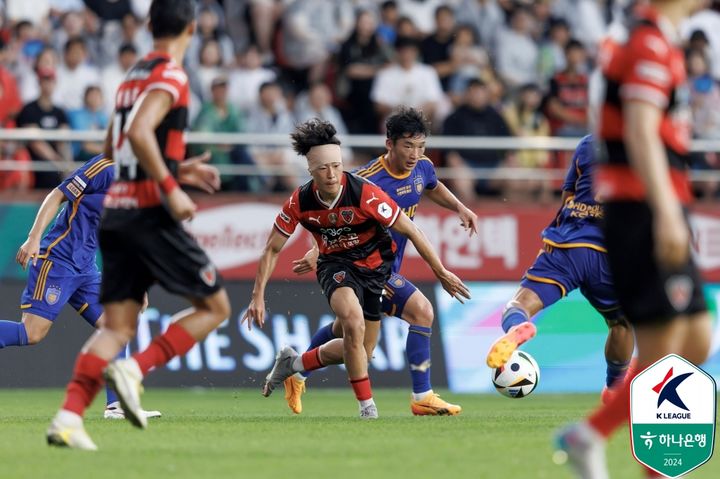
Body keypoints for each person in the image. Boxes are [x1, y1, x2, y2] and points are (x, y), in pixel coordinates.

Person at [46, 0, 231, 450]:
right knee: (216, 308)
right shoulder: (171, 75)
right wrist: (171, 185)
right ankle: (135, 369)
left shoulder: (130, 77)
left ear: (149, 25)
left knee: (115, 328)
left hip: (117, 214)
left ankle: (68, 419)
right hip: (149, 212)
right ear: (193, 27)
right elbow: (140, 133)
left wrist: (177, 167)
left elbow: (114, 143)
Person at [555, 2, 712, 478]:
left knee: (697, 339)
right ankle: (641, 461)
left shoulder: (652, 38)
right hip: (642, 206)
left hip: (655, 202)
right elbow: (642, 131)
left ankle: (591, 433)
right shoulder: (646, 42)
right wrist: (666, 212)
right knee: (670, 353)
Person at [242, 118, 470, 419]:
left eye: (337, 166)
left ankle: (295, 366)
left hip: (376, 269)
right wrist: (258, 295)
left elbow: (414, 224)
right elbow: (272, 248)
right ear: (311, 170)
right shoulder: (304, 199)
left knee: (361, 350)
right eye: (324, 168)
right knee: (371, 319)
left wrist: (443, 264)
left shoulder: (368, 190)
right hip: (336, 266)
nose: (332, 174)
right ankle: (381, 405)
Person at [0, 154, 160, 420]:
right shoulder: (106, 167)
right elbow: (56, 195)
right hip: (58, 260)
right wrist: (33, 238)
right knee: (31, 333)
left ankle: (116, 406)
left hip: (85, 268)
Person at [484, 135, 634, 402]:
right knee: (620, 323)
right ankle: (614, 389)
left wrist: (554, 237)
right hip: (609, 252)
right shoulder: (646, 145)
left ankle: (518, 327)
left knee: (517, 305)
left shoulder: (589, 143)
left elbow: (568, 195)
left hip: (567, 244)